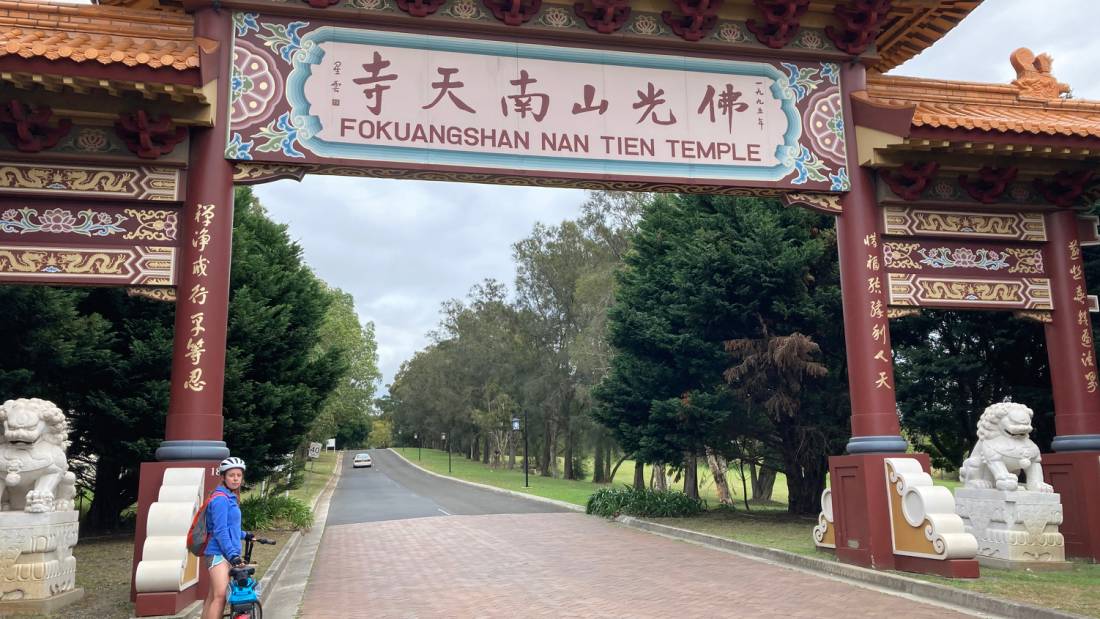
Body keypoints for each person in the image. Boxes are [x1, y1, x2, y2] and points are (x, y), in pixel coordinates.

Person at [202, 456, 253, 619]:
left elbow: (231, 528)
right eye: (231, 475)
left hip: (225, 552)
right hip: (218, 553)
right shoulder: (220, 499)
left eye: (239, 475)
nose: (236, 479)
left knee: (213, 596)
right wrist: (232, 555)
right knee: (221, 596)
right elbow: (220, 531)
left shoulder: (229, 496)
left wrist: (245, 535)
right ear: (223, 477)